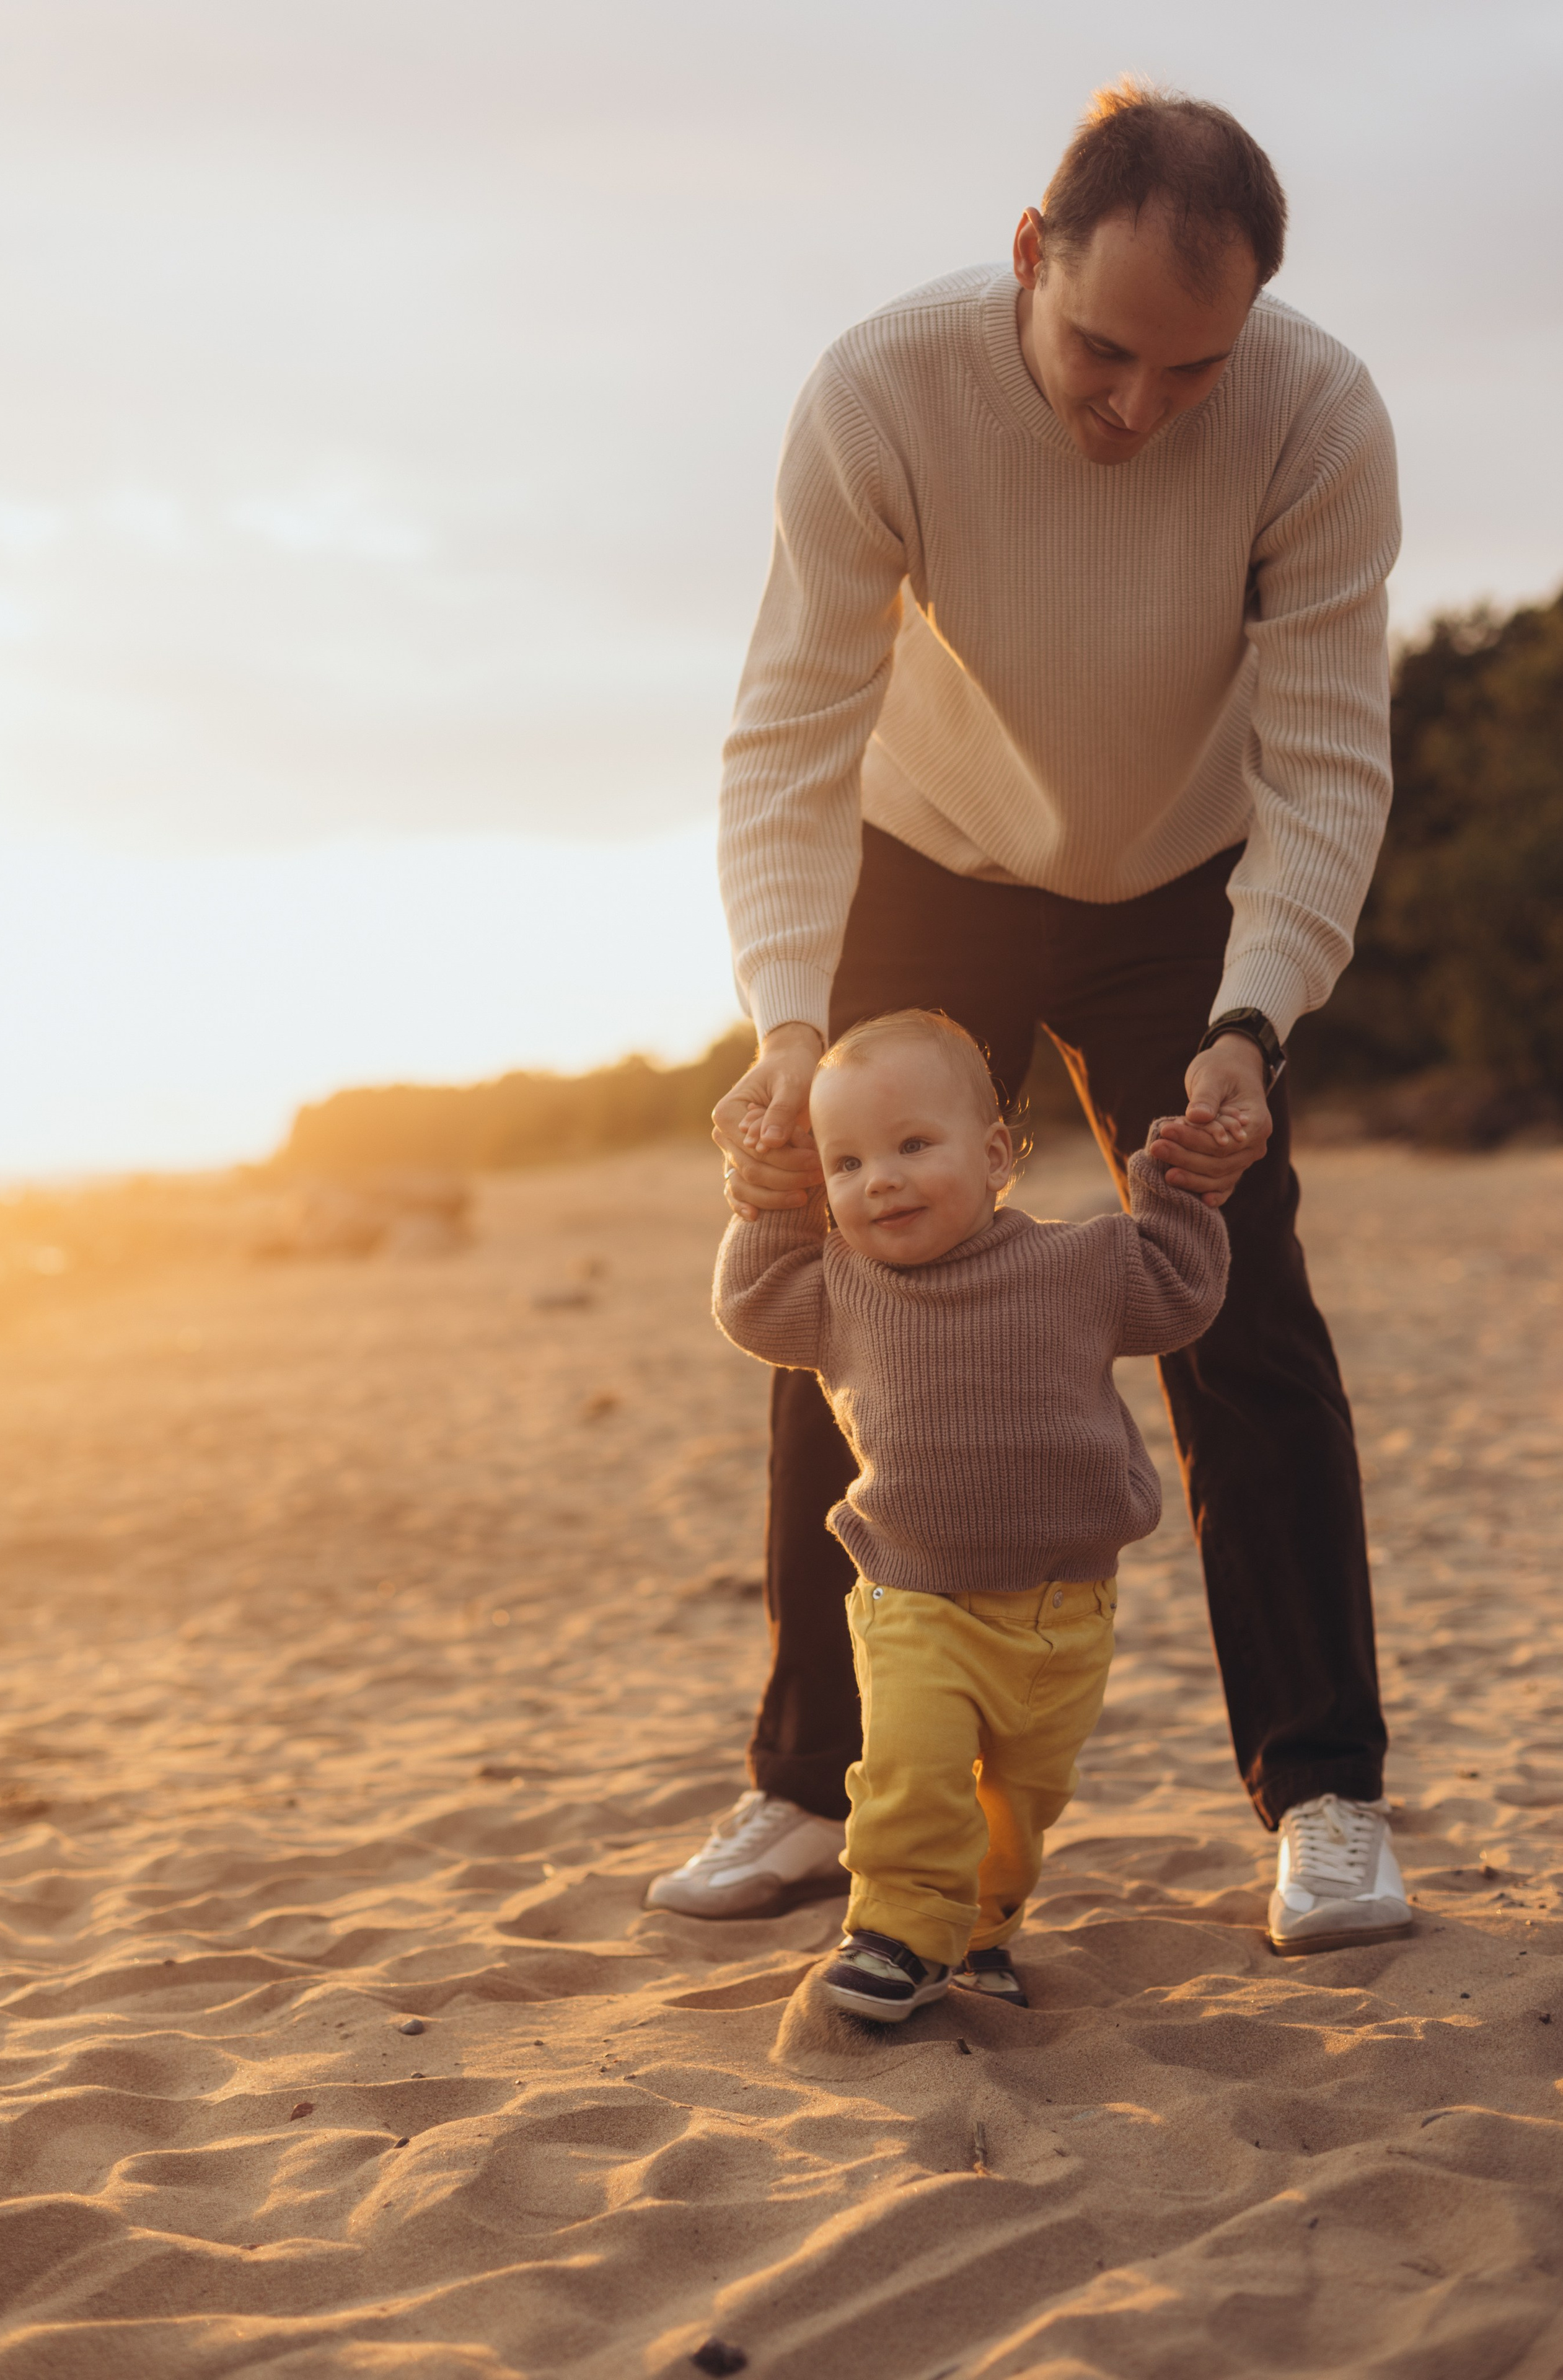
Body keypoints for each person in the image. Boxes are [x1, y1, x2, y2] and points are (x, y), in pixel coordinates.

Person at [646, 82, 1415, 1955]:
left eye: (1192, 368)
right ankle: (808, 1788)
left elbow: (1326, 759)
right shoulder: (884, 391)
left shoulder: (1316, 417)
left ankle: (1322, 1799)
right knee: (856, 1285)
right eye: (1103, 349)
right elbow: (790, 728)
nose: (1140, 407)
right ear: (1028, 259)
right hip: (938, 857)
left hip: (1187, 881)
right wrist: (782, 1023)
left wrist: (1254, 1018)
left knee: (1246, 1311)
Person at [711, 1009, 1228, 2021]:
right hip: (916, 1597)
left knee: (1017, 1801)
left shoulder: (1081, 1263)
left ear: (995, 1155)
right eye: (847, 1164)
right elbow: (750, 1303)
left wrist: (1175, 1188)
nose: (883, 1181)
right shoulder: (838, 1288)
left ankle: (977, 1934)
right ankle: (898, 1935)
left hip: (1064, 1613)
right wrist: (772, 1205)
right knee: (912, 1773)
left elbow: (1182, 1291)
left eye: (913, 1146)